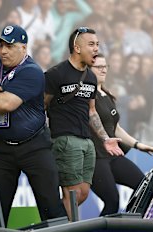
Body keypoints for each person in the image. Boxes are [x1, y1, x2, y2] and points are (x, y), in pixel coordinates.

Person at [0, 25, 67, 226]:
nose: (3, 51)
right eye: (1, 45)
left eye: (10, 46)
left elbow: (7, 103)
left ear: (23, 48)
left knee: (50, 204)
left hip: (34, 146)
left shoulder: (32, 71)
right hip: (2, 148)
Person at [44, 27, 122, 218]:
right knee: (72, 194)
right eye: (91, 44)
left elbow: (91, 111)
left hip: (88, 142)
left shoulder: (91, 77)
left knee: (83, 193)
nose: (96, 48)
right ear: (77, 48)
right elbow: (42, 106)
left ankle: (58, 223)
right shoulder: (56, 74)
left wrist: (105, 138)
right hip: (65, 139)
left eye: (97, 44)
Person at [89, 54, 153, 216]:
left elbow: (116, 128)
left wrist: (138, 145)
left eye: (105, 66)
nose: (103, 70)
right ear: (88, 69)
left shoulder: (107, 95)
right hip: (96, 157)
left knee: (144, 187)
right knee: (112, 201)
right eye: (99, 67)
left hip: (114, 155)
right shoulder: (86, 95)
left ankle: (128, 224)